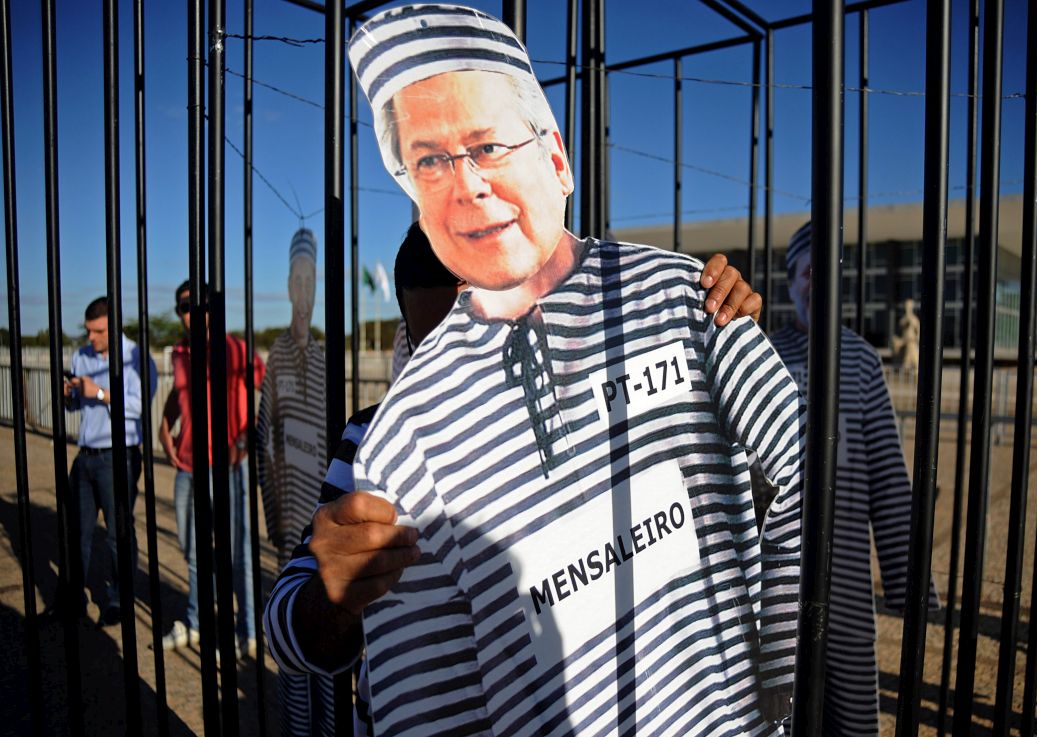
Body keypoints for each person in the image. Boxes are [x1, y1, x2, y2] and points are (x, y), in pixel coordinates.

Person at [281, 6, 805, 735]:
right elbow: (323, 640)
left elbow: (799, 477)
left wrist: (777, 687)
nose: (469, 185)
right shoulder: (389, 438)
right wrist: (333, 589)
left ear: (556, 160)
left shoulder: (673, 303)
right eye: (430, 162)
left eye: (489, 146)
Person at [264, 221, 765, 736]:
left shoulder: (601, 402)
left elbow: (739, 500)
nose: (455, 372)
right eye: (430, 352)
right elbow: (285, 634)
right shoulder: (378, 441)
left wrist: (714, 339)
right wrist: (334, 595)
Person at [769, 221, 940, 737]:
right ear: (791, 281)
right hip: (774, 584)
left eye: (827, 272)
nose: (816, 283)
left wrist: (909, 583)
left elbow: (888, 479)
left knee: (853, 717)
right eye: (807, 272)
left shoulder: (862, 361)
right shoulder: (765, 353)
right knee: (780, 713)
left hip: (844, 579)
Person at [255, 227, 335, 736]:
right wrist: (272, 513)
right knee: (291, 630)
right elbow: (263, 437)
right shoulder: (278, 355)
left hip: (322, 522)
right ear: (288, 286)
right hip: (289, 523)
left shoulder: (326, 359)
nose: (304, 292)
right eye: (297, 281)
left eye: (311, 282)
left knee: (326, 626)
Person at [159, 281, 265, 659]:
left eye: (196, 305)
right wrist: (164, 429)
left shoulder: (235, 349)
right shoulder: (180, 353)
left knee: (239, 551)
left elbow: (269, 392)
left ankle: (248, 630)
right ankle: (197, 621)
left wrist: (245, 440)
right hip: (189, 466)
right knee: (192, 550)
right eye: (183, 307)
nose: (189, 313)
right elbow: (181, 394)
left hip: (228, 467)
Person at [53, 296, 157, 626]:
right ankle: (73, 597)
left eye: (98, 331)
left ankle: (119, 599)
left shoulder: (136, 357)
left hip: (119, 455)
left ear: (114, 326)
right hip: (85, 455)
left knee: (118, 532)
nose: (91, 338)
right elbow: (76, 406)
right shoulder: (81, 356)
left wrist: (98, 392)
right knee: (77, 531)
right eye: (88, 331)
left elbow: (140, 405)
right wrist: (70, 396)